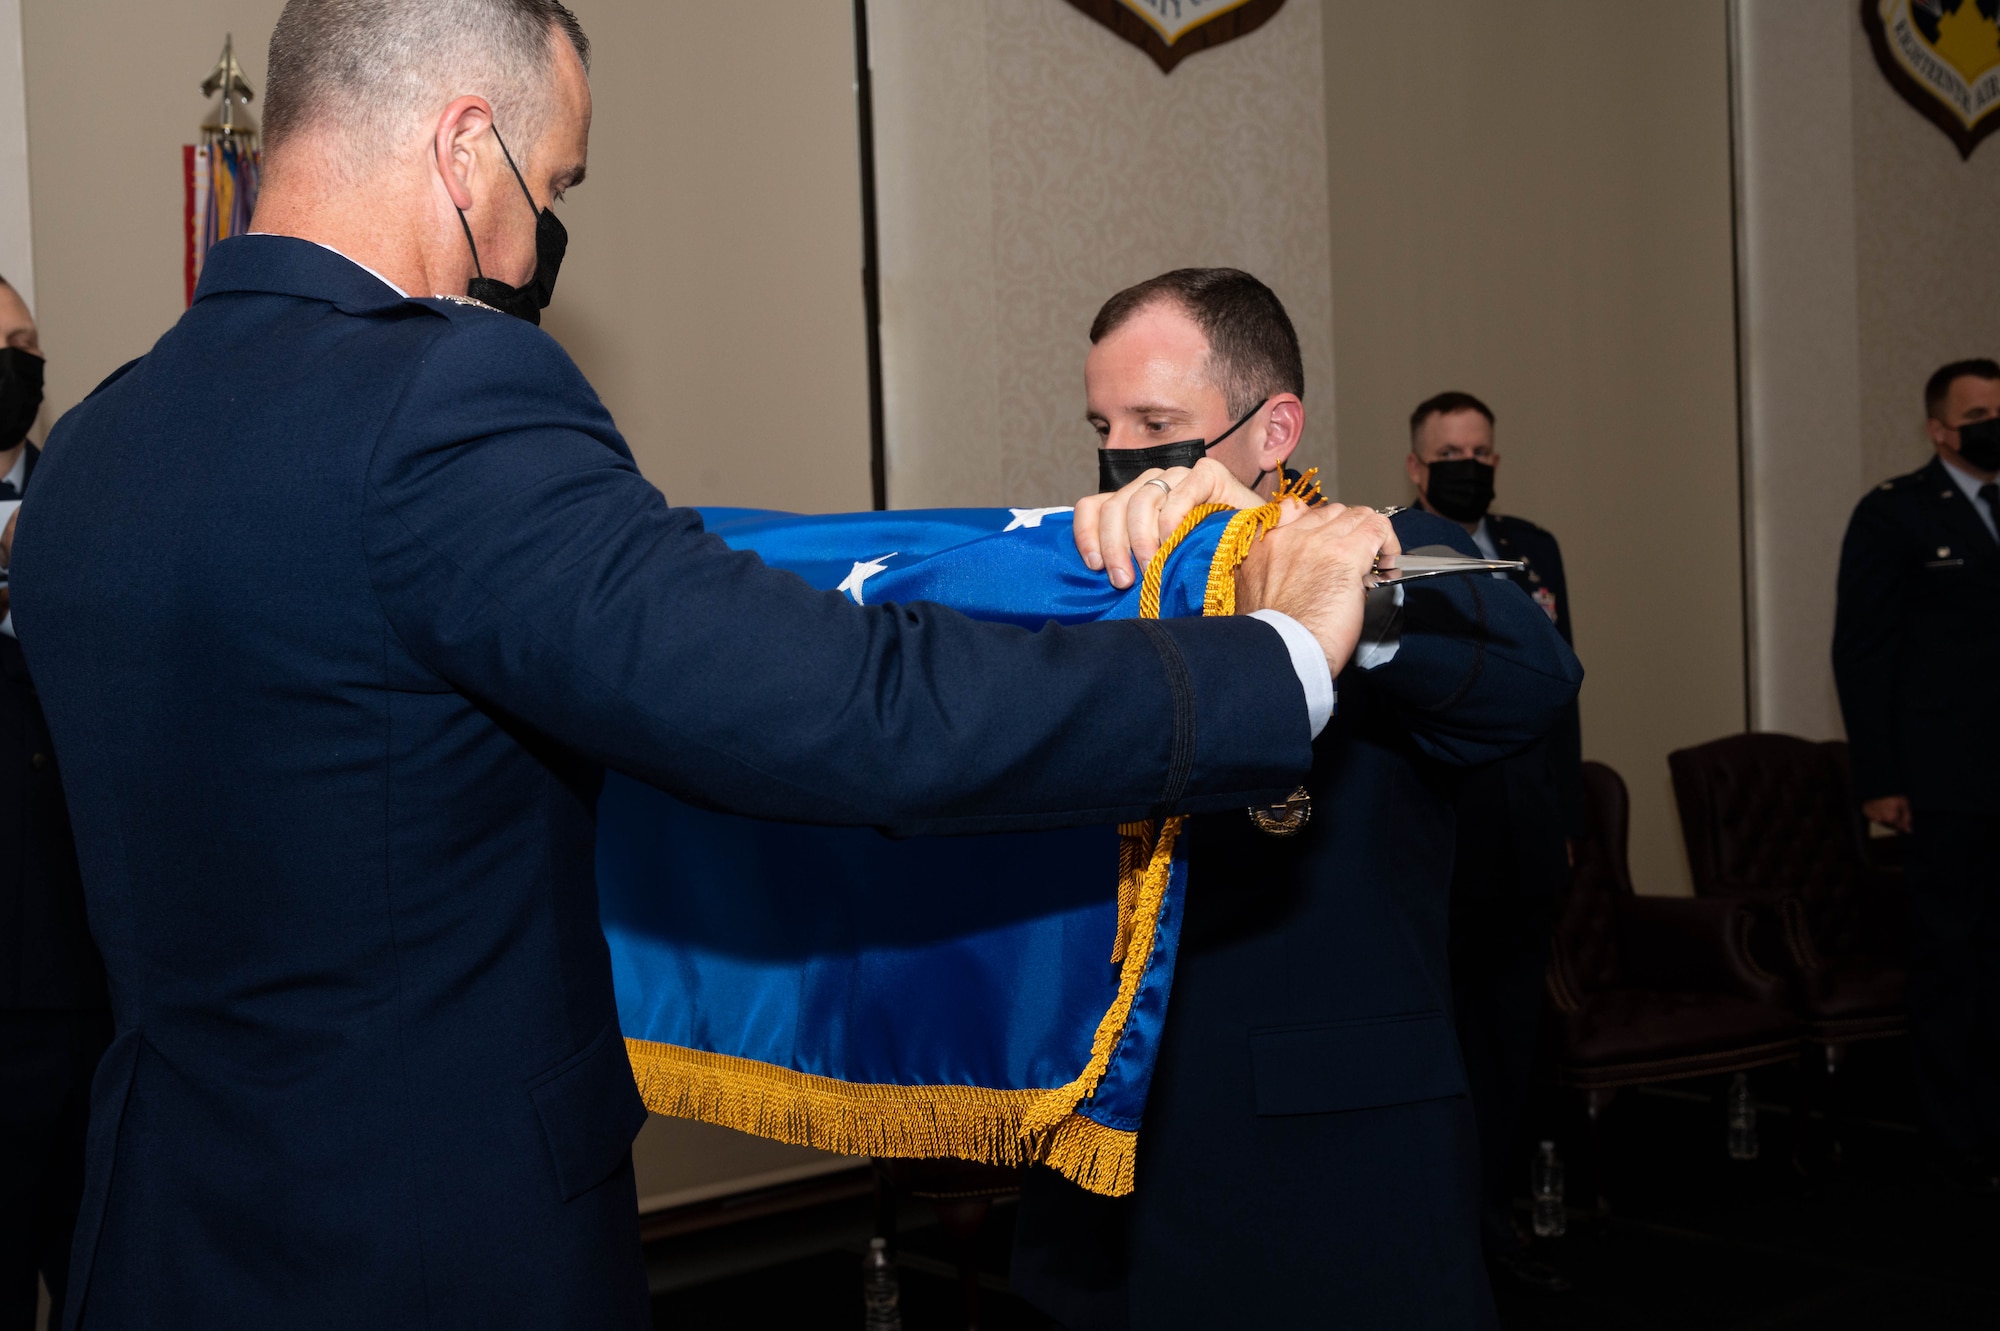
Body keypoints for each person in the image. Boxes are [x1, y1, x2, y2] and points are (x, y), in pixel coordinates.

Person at [8, 5, 1407, 1327]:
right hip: (429, 1242)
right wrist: (1265, 662)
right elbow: (850, 706)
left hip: (159, 1223)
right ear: (459, 144)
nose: (546, 228)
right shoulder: (447, 397)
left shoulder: (97, 446)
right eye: (552, 184)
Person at [1010, 269, 1583, 1329]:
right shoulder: (1089, 578)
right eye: (1103, 423)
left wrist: (1337, 603)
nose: (1124, 452)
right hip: (1112, 1133)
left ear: (1271, 428)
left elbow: (1534, 679)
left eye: (1157, 421)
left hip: (1332, 1142)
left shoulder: (1383, 549)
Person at [1405, 390, 1584, 1293]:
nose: (1466, 463)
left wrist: (1566, 822)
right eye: (1448, 451)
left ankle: (1498, 1214)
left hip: (1527, 837)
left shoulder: (1534, 548)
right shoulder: (1395, 546)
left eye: (1479, 449)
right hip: (1445, 841)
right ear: (1416, 466)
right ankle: (1444, 1229)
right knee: (1446, 1043)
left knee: (1513, 1040)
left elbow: (1562, 695)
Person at [1833, 358, 2000, 1192]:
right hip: (1944, 781)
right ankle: (1956, 1134)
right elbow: (1862, 653)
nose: (1990, 423)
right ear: (1939, 429)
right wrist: (1879, 776)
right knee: (1951, 957)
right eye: (1976, 413)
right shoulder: (1896, 512)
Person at [0, 277, 107, 1331]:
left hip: (95, 973)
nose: (13, 365)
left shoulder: (81, 496)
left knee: (100, 1266)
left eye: (24, 343)